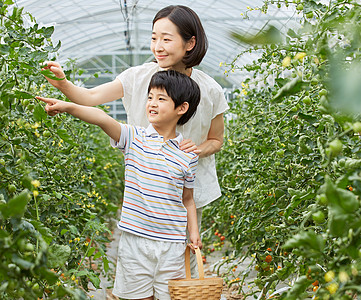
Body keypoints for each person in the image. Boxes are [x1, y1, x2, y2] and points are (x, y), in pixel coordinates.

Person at [41, 5, 229, 276]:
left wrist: (194, 151)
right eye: (154, 38)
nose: (158, 46)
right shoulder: (138, 77)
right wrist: (63, 85)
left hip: (185, 192)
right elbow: (90, 98)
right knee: (140, 265)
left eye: (167, 38)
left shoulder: (210, 89)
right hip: (146, 193)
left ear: (190, 43)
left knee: (177, 271)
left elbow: (216, 140)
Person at [37, 70, 202, 300]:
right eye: (150, 97)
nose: (152, 103)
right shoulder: (134, 138)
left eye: (161, 99)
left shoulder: (188, 155)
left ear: (181, 108)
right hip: (135, 240)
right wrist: (68, 106)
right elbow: (102, 118)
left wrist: (193, 232)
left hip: (172, 245)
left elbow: (188, 199)